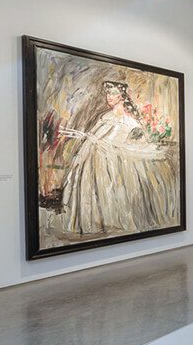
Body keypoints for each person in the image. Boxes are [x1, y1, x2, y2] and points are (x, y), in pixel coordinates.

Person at [59, 80, 178, 236]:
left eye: (113, 93)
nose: (109, 97)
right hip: (95, 159)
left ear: (122, 96)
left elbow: (120, 146)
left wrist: (90, 138)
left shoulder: (129, 122)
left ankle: (113, 221)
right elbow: (98, 139)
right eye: (108, 93)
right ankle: (94, 220)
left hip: (112, 163)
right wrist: (85, 137)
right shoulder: (105, 117)